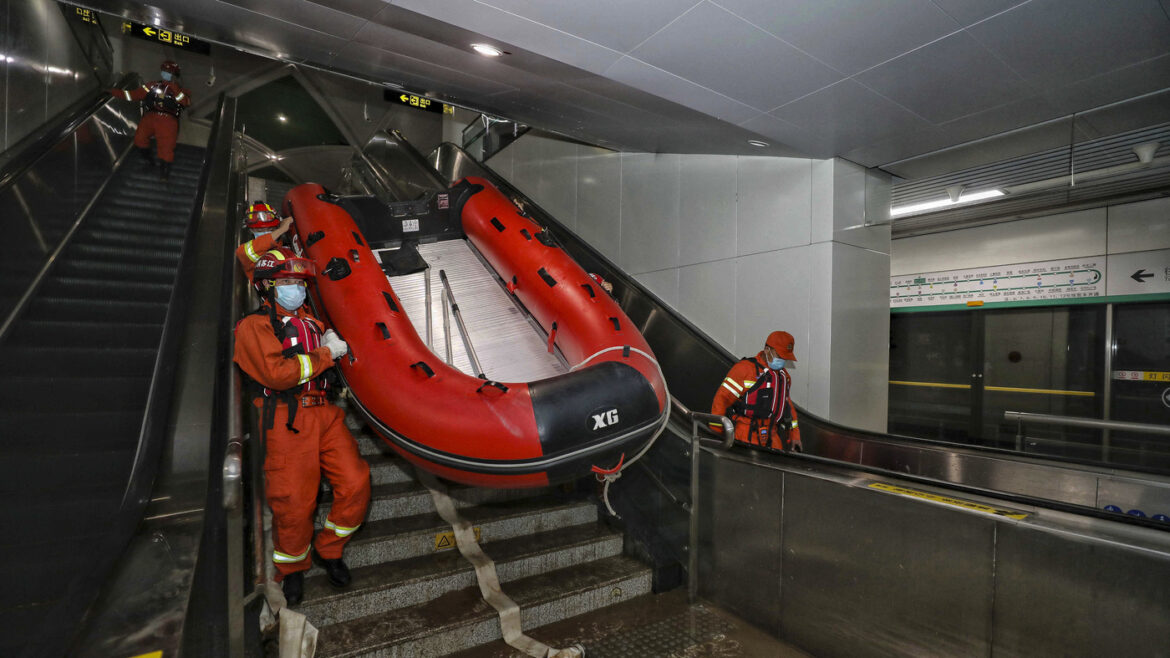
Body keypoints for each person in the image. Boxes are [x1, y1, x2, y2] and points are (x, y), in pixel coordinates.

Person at [233, 248, 371, 606]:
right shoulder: (253, 327)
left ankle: (330, 547)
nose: (296, 289)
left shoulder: (311, 322)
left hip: (325, 412)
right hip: (284, 419)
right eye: (287, 282)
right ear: (267, 287)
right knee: (293, 502)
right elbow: (278, 375)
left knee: (355, 483)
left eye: (299, 283)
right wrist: (328, 353)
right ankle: (291, 570)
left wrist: (329, 342)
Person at [711, 330, 801, 452]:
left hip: (773, 438)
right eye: (780, 356)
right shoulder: (745, 369)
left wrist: (794, 435)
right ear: (767, 350)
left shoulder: (784, 377)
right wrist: (715, 433)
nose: (782, 360)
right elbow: (721, 399)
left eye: (785, 358)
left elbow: (787, 407)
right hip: (744, 435)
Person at [109, 60, 192, 181]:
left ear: (175, 75)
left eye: (169, 72)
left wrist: (174, 89)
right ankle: (149, 162)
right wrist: (113, 92)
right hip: (151, 116)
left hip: (168, 120)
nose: (165, 73)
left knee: (166, 148)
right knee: (139, 140)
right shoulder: (152, 85)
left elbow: (185, 102)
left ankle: (164, 174)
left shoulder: (181, 90)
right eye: (164, 71)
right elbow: (134, 95)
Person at [237, 201, 295, 281]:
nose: (264, 232)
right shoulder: (244, 250)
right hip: (265, 288)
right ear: (251, 230)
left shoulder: (279, 242)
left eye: (269, 229)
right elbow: (263, 243)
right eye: (259, 230)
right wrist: (282, 229)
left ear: (276, 227)